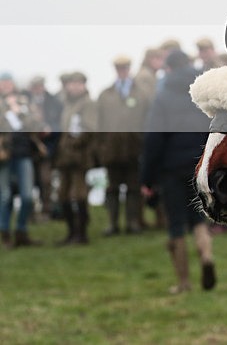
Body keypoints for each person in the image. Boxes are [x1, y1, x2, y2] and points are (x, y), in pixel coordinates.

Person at [141, 50, 216, 294]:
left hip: (171, 169)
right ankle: (206, 257)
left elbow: (154, 139)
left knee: (176, 224)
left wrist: (147, 177)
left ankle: (184, 282)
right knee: (199, 219)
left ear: (169, 68)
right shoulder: (202, 91)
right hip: (199, 165)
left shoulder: (162, 96)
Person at [96, 55, 150, 235]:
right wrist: (102, 148)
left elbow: (146, 121)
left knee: (133, 188)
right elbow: (99, 123)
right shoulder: (105, 95)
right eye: (119, 68)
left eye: (125, 68)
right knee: (112, 188)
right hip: (111, 150)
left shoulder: (140, 94)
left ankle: (132, 222)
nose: (123, 71)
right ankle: (112, 223)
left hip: (134, 148)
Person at [0, 72, 44, 248]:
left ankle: (21, 231)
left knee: (26, 196)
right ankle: (4, 234)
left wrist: (19, 112)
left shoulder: (24, 102)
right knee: (4, 196)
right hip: (3, 156)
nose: (6, 85)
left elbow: (36, 123)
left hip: (24, 153)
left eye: (9, 82)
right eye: (3, 82)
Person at [55, 72, 97, 245]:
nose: (74, 86)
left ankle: (81, 234)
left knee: (79, 194)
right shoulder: (67, 104)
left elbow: (90, 129)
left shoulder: (87, 104)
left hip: (79, 156)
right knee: (63, 194)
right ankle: (71, 232)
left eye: (78, 83)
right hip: (65, 156)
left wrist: (75, 143)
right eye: (72, 83)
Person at [26, 75, 63, 219]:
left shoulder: (54, 102)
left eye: (39, 85)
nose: (37, 89)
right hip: (29, 149)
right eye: (35, 86)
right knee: (30, 181)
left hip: (47, 148)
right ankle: (31, 212)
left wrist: (50, 130)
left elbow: (59, 124)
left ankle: (47, 209)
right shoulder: (25, 102)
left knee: (45, 180)